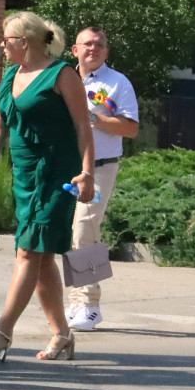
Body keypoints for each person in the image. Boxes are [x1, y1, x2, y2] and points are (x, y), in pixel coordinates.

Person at [0, 11, 95, 361]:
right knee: (40, 259)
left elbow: (83, 126)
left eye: (6, 40)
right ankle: (62, 335)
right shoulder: (10, 76)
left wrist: (87, 172)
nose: (1, 46)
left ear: (24, 42)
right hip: (24, 174)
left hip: (57, 173)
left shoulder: (62, 74)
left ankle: (1, 333)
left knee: (28, 251)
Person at [66, 27, 139, 331]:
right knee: (71, 233)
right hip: (67, 168)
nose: (93, 49)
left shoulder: (117, 83)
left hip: (99, 168)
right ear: (75, 50)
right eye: (87, 44)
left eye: (99, 45)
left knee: (85, 228)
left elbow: (131, 128)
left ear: (106, 52)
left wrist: (92, 117)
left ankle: (91, 305)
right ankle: (76, 301)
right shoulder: (64, 79)